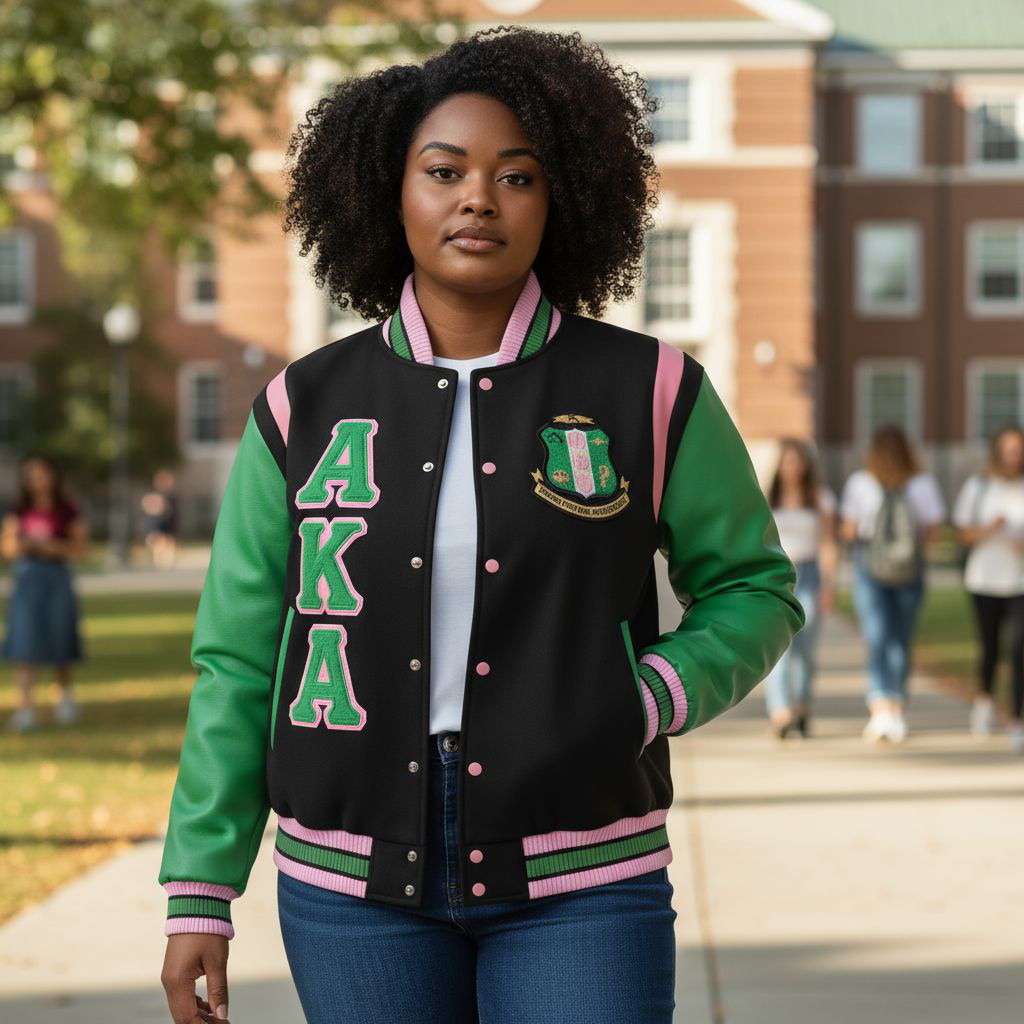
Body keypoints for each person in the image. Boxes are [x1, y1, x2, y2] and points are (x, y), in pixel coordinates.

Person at [157, 26, 804, 1024]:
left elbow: (753, 587)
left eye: (517, 176)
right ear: (388, 191)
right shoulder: (303, 405)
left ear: (563, 200)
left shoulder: (650, 389)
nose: (477, 198)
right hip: (349, 886)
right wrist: (201, 888)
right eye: (444, 170)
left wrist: (642, 698)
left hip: (583, 871)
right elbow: (241, 658)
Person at [839, 425, 945, 744]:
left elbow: (848, 530)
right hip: (909, 568)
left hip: (869, 565)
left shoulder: (861, 483)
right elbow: (934, 530)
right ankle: (892, 705)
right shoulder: (922, 484)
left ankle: (882, 707)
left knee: (879, 637)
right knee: (897, 637)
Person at [1, 453, 89, 732]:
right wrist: (27, 546)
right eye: (31, 475)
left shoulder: (67, 510)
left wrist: (52, 547)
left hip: (57, 577)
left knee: (59, 637)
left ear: (53, 476)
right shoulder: (19, 510)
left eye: (40, 474)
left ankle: (65, 697)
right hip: (28, 578)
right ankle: (25, 708)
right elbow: (9, 547)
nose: (35, 481)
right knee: (25, 640)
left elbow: (79, 548)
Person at [951, 425, 1024, 753]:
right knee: (990, 646)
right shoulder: (979, 487)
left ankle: (1017, 719)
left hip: (1020, 582)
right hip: (985, 579)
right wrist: (988, 529)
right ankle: (985, 700)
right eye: (1008, 449)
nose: (1014, 455)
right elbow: (961, 534)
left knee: (1020, 650)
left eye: (1018, 449)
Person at [761, 439, 838, 740]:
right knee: (780, 646)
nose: (792, 467)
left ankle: (802, 706)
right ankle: (781, 712)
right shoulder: (767, 499)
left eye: (797, 461)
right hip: (779, 575)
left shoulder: (820, 498)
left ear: (806, 465)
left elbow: (828, 544)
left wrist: (829, 584)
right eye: (787, 461)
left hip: (810, 572)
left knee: (805, 648)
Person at [140, 468, 179, 569]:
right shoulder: (153, 493)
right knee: (157, 542)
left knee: (167, 542)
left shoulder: (171, 496)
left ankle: (165, 561)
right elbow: (149, 506)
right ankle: (159, 560)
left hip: (167, 523)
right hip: (156, 523)